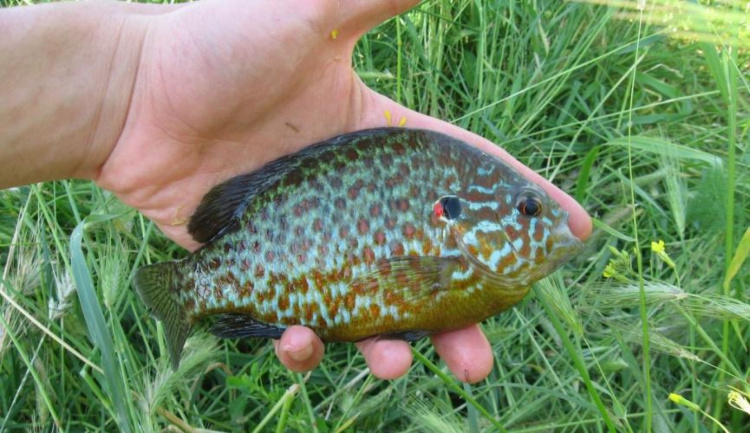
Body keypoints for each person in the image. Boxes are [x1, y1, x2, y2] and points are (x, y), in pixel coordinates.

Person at [0, 0, 591, 384]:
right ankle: (197, 288)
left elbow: (408, 297)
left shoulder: (477, 273)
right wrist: (130, 89)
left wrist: (127, 91)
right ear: (464, 216)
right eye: (527, 209)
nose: (549, 222)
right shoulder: (462, 262)